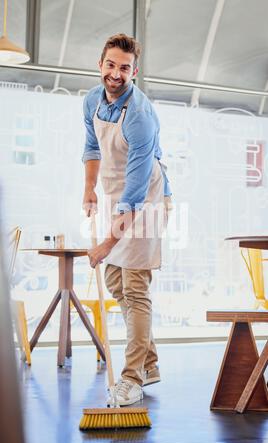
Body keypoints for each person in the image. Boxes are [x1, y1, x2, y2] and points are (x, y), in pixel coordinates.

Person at [82, 33, 172, 406]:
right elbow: (91, 147)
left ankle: (132, 377)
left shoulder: (140, 118)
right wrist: (89, 189)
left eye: (124, 68)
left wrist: (105, 243)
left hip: (145, 201)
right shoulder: (92, 100)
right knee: (116, 282)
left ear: (134, 71)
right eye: (110, 65)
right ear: (101, 64)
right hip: (115, 193)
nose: (116, 74)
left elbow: (134, 195)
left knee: (134, 289)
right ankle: (149, 362)